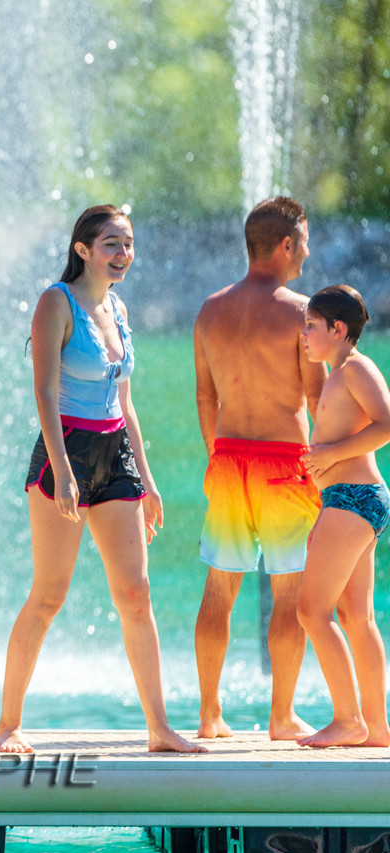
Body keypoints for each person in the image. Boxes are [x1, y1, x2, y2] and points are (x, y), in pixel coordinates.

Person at [0, 205, 205, 755]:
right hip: (65, 450)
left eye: (128, 244)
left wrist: (149, 480)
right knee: (49, 595)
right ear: (82, 249)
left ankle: (159, 729)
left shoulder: (118, 306)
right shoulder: (54, 303)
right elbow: (43, 392)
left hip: (117, 454)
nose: (123, 254)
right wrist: (62, 472)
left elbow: (125, 403)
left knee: (136, 594)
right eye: (111, 243)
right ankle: (8, 725)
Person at [192, 196, 323, 740]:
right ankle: (281, 716)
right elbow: (315, 399)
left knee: (220, 589)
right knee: (290, 595)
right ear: (286, 245)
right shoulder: (301, 312)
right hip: (284, 465)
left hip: (227, 459)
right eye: (304, 243)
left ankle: (208, 715)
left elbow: (204, 397)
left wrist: (216, 455)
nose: (307, 255)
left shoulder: (209, 310)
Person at [294, 286, 390, 748]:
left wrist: (329, 453)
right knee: (356, 617)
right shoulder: (338, 374)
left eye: (311, 325)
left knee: (312, 612)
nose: (304, 334)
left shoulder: (355, 368)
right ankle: (377, 730)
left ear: (338, 329)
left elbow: (387, 424)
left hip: (355, 498)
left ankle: (349, 720)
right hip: (349, 501)